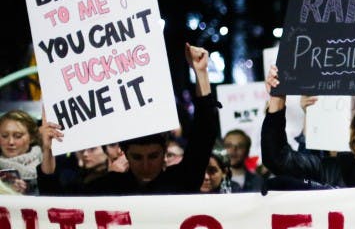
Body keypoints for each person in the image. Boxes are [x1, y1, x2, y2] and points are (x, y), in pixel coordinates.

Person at [37, 43, 217, 195]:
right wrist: (47, 150)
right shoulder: (108, 188)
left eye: (153, 156)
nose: (146, 165)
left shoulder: (181, 181)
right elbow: (55, 203)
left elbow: (205, 133)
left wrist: (201, 73)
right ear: (124, 153)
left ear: (164, 152)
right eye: (137, 157)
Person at [0, 109, 42, 194]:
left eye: (18, 136)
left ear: (32, 137)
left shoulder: (47, 164)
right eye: (4, 136)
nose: (11, 142)